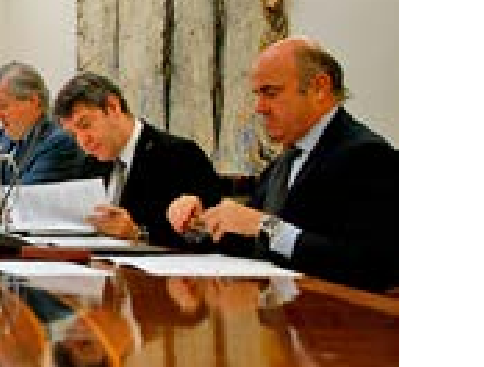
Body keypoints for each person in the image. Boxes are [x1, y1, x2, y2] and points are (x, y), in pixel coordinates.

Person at [168, 36, 397, 293]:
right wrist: (199, 223)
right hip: (278, 310)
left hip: (333, 314)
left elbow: (371, 264)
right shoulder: (285, 161)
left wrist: (266, 226)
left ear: (319, 88)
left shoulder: (368, 155)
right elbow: (250, 241)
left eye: (271, 93)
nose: (259, 108)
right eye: (258, 95)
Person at [52, 70, 223, 247]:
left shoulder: (180, 155)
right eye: (74, 134)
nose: (82, 142)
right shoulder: (89, 165)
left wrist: (139, 234)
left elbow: (209, 237)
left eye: (86, 125)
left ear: (113, 107)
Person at [0, 60, 89, 187]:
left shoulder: (60, 141)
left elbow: (26, 194)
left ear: (34, 101)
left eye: (3, 106)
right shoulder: (2, 137)